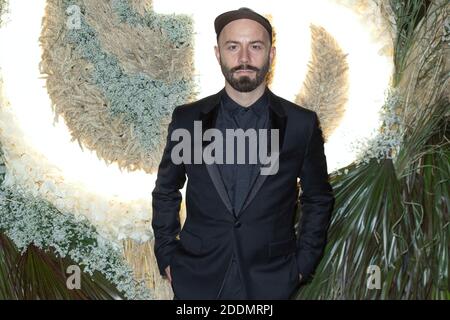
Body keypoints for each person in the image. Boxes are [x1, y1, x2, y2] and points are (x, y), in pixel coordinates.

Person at [151, 7, 335, 300]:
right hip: (197, 277)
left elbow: (318, 198)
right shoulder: (188, 119)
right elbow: (166, 190)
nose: (244, 58)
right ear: (218, 53)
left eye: (255, 46)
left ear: (271, 54)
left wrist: (302, 265)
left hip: (272, 280)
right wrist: (167, 253)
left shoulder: (301, 123)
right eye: (233, 47)